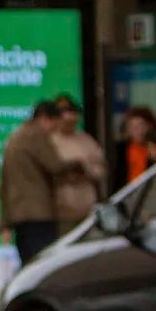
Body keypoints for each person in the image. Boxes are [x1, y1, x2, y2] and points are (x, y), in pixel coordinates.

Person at [0, 100, 85, 265]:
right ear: (45, 119)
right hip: (38, 211)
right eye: (54, 123)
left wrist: (4, 221)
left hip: (18, 213)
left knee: (28, 261)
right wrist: (79, 164)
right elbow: (54, 165)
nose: (54, 130)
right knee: (44, 261)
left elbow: (4, 182)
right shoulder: (36, 135)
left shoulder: (15, 137)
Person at [50, 94, 106, 233]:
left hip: (87, 208)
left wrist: (87, 170)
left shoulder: (86, 140)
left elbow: (102, 169)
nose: (68, 118)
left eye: (72, 113)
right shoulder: (49, 142)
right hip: (60, 209)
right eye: (63, 114)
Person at [111, 106, 156, 191]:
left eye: (140, 125)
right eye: (132, 126)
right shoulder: (120, 150)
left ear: (149, 127)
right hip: (126, 194)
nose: (136, 130)